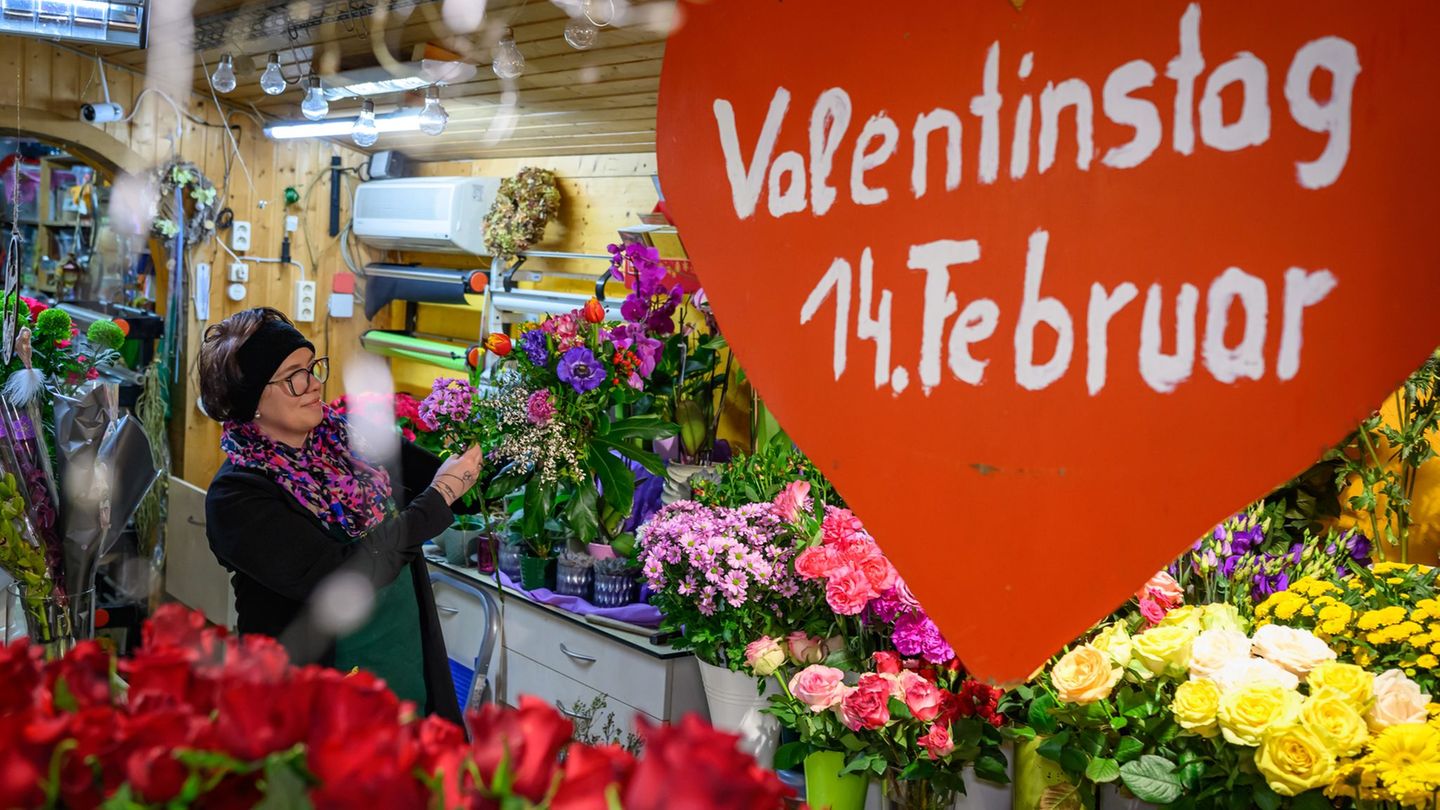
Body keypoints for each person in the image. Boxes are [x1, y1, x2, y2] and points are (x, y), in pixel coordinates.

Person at [198, 307, 480, 723]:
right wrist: (440, 496)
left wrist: (513, 430)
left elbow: (460, 490)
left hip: (404, 672)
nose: (313, 384)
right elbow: (341, 580)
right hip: (314, 703)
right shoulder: (237, 496)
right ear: (252, 399)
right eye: (294, 376)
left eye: (312, 368)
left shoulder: (349, 439)